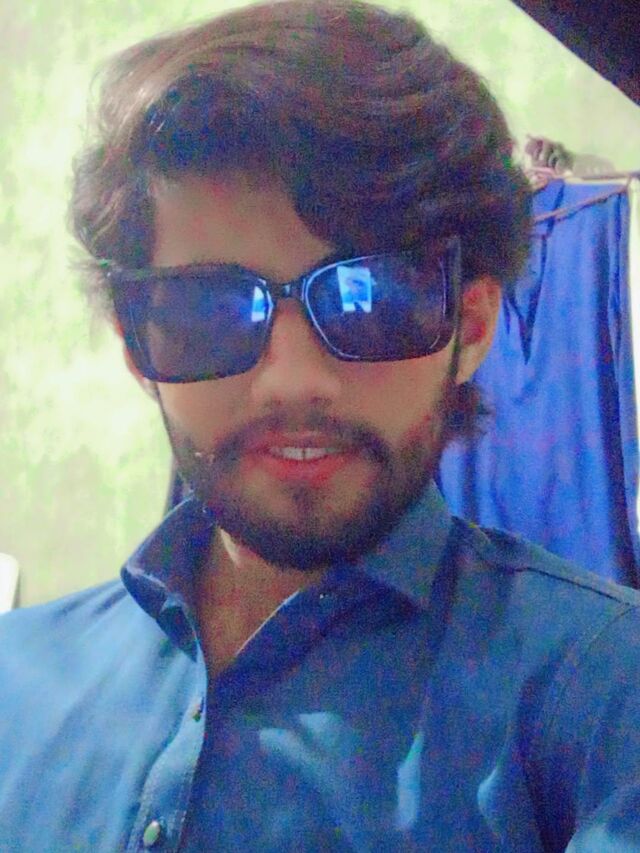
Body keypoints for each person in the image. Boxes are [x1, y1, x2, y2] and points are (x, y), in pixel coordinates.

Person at [2, 1, 640, 850]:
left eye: (370, 298)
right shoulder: (13, 679)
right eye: (210, 308)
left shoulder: (605, 695)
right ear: (136, 344)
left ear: (473, 325)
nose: (293, 380)